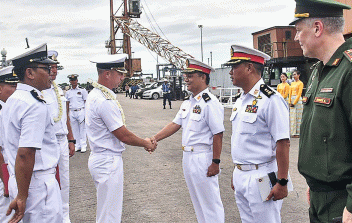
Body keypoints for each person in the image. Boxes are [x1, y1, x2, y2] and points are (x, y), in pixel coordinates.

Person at [291, 0, 352, 222]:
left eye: (299, 30)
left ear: (317, 28)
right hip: (321, 196)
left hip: (345, 199)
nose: (296, 38)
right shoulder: (320, 71)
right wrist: (316, 184)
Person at [152, 58, 225, 223]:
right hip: (188, 157)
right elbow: (175, 124)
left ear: (203, 77)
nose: (186, 78)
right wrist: (154, 138)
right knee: (198, 202)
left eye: (190, 75)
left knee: (210, 203)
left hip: (203, 158)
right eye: (185, 75)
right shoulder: (188, 102)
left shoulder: (210, 103)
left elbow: (218, 134)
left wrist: (215, 162)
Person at [224, 45, 290, 223]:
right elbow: (241, 140)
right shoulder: (241, 100)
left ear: (249, 67)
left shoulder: (271, 100)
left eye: (234, 67)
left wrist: (282, 181)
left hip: (262, 175)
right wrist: (237, 171)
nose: (230, 72)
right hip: (242, 174)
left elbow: (283, 143)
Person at [87, 54, 156, 223]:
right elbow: (123, 134)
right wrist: (145, 143)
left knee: (107, 211)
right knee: (109, 215)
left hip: (101, 158)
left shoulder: (96, 94)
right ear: (107, 74)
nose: (122, 77)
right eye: (120, 73)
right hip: (107, 161)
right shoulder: (104, 101)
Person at [3, 43, 63, 222]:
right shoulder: (33, 105)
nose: (51, 73)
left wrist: (20, 193)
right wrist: (22, 196)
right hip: (36, 184)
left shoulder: (13, 100)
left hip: (21, 180)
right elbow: (25, 153)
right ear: (29, 73)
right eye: (45, 68)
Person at [42, 50, 75, 223]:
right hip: (47, 141)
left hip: (62, 140)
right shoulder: (40, 91)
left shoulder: (59, 90)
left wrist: (71, 139)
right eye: (50, 67)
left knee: (65, 178)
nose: (54, 71)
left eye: (56, 67)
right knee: (47, 180)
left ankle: (65, 215)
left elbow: (65, 116)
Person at [0, 66, 18, 222]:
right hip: (3, 173)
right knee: (6, 215)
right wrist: (6, 181)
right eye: (12, 86)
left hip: (11, 170)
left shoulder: (8, 108)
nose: (16, 89)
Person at [65, 74, 88, 153]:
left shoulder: (82, 90)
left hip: (81, 110)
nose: (73, 82)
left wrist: (86, 113)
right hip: (72, 112)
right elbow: (67, 104)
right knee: (74, 130)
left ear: (77, 81)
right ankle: (77, 145)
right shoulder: (68, 92)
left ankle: (83, 145)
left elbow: (86, 102)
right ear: (70, 82)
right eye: (71, 80)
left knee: (82, 129)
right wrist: (66, 114)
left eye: (74, 80)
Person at [288, 70, 303, 138]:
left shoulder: (300, 83)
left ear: (298, 75)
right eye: (293, 74)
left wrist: (294, 102)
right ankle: (293, 132)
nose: (294, 76)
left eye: (295, 74)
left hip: (298, 100)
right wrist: (289, 101)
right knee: (292, 117)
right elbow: (290, 92)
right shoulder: (292, 83)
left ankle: (298, 133)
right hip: (292, 99)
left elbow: (299, 93)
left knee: (298, 117)